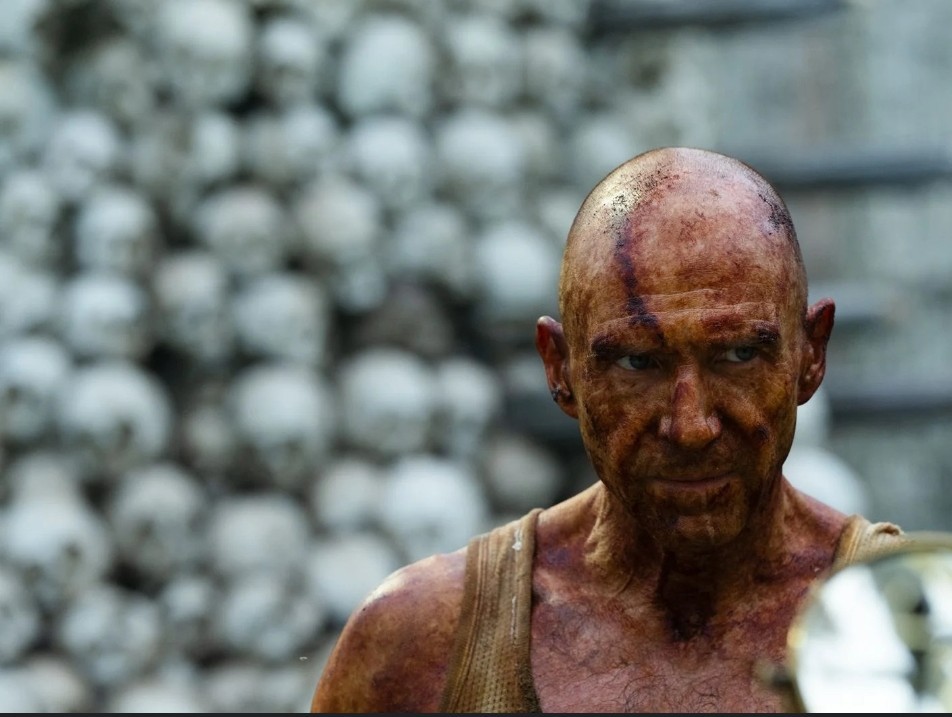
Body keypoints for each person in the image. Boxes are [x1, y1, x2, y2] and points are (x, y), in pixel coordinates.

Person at [310, 147, 908, 713]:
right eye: (637, 363)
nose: (690, 427)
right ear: (560, 369)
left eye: (738, 356)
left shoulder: (915, 629)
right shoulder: (418, 646)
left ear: (811, 355)